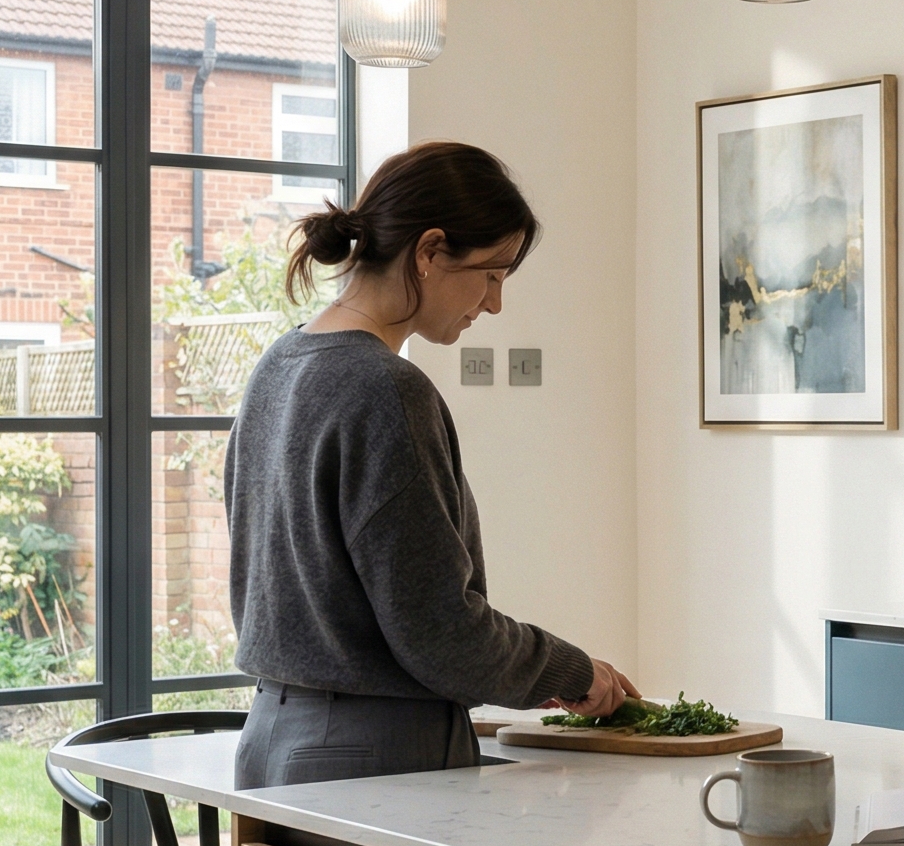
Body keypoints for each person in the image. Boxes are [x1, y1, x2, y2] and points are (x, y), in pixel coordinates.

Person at [224, 140, 635, 787]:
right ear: (430, 250)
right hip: (374, 758)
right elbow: (444, 637)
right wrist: (573, 671)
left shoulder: (278, 367)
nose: (494, 304)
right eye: (492, 275)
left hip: (271, 740)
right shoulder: (387, 390)